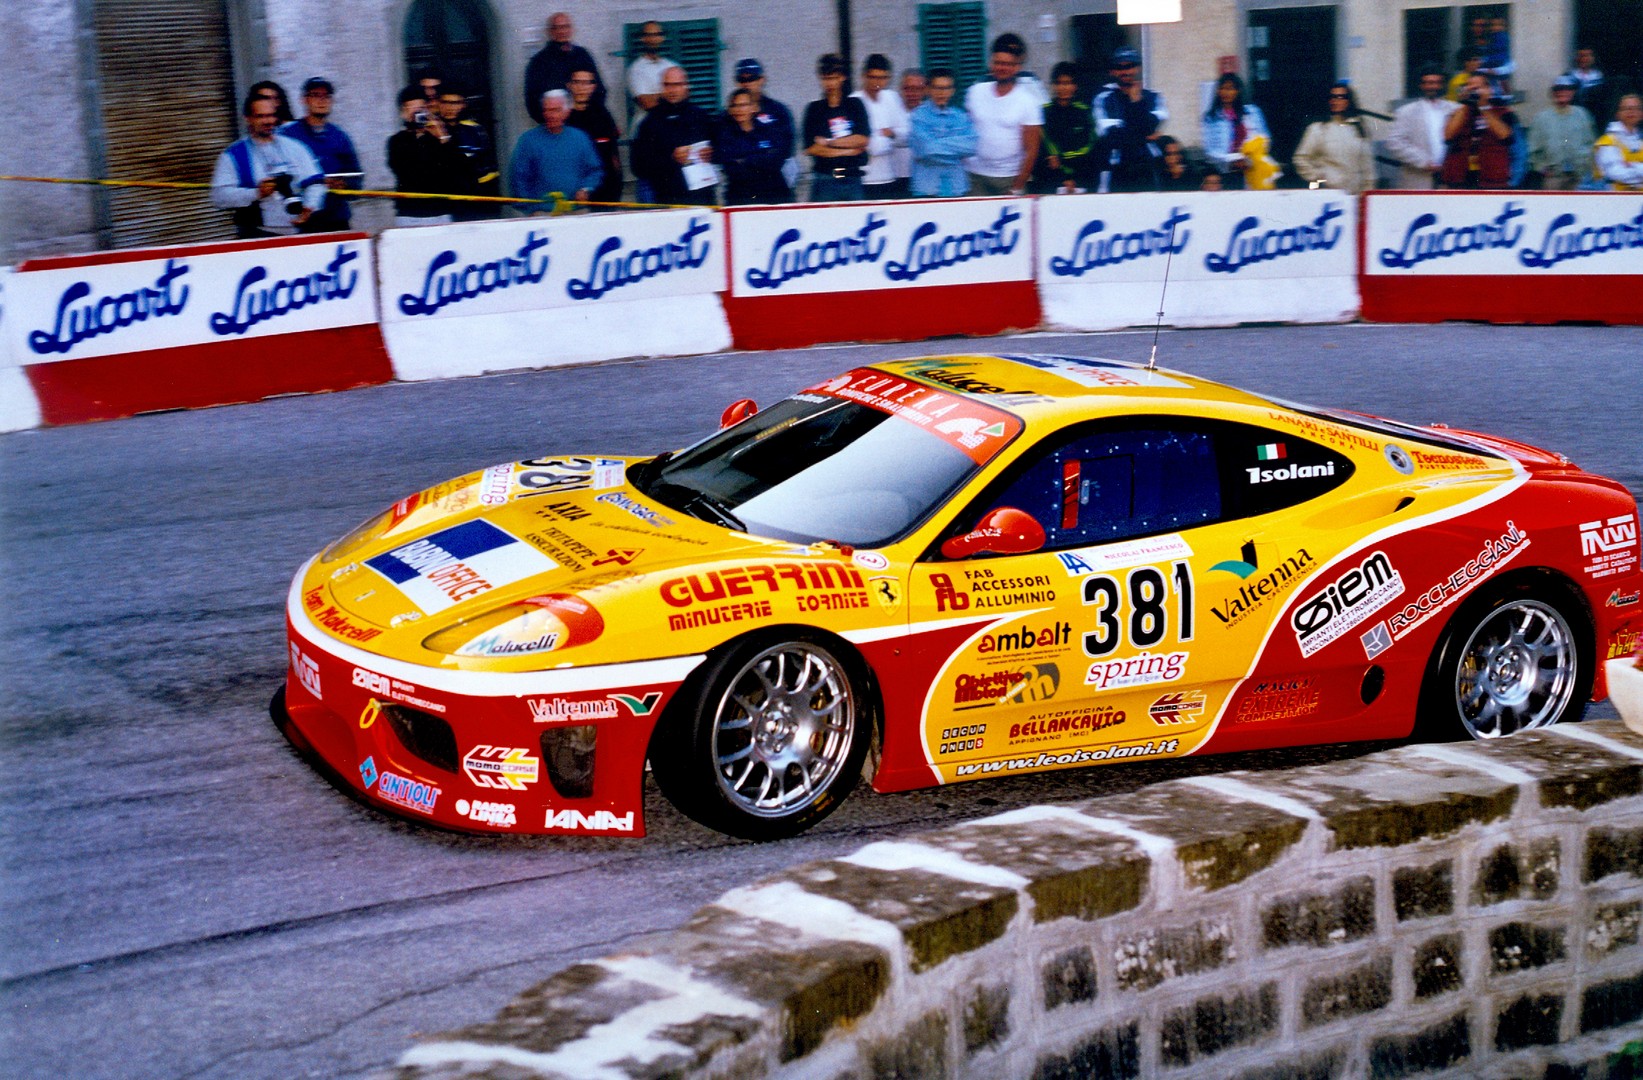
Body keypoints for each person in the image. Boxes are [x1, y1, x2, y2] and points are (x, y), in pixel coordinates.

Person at [211, 90, 325, 237]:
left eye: (271, 115)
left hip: (300, 232)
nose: (268, 121)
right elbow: (219, 197)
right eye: (261, 116)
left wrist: (310, 206)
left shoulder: (294, 147)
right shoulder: (234, 154)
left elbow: (316, 182)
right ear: (248, 118)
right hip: (258, 234)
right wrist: (256, 193)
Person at [964, 33, 1042, 196]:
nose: (1002, 68)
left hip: (1010, 179)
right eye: (998, 62)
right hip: (975, 177)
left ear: (1017, 67)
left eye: (1007, 64)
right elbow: (963, 131)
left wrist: (1017, 188)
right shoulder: (974, 92)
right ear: (991, 63)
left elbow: (1032, 150)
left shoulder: (1028, 101)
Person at [279, 77, 361, 231]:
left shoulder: (340, 136)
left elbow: (356, 176)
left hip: (336, 217)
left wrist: (343, 184)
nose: (321, 100)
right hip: (302, 219)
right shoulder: (288, 134)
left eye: (326, 96)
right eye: (315, 95)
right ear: (304, 100)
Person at [388, 84, 476, 226]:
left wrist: (442, 138)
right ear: (403, 112)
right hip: (409, 212)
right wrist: (417, 136)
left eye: (421, 108)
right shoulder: (397, 141)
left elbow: (460, 168)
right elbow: (405, 171)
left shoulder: (443, 136)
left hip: (441, 211)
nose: (417, 115)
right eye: (411, 109)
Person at [632, 66, 717, 206]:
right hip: (668, 198)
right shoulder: (650, 122)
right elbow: (637, 166)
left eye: (676, 84)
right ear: (661, 87)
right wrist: (671, 158)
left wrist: (711, 153)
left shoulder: (701, 116)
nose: (672, 90)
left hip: (703, 197)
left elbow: (721, 148)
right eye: (667, 85)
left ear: (686, 86)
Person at [508, 89, 603, 210]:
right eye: (546, 110)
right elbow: (518, 177)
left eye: (555, 110)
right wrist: (529, 209)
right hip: (541, 213)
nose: (550, 115)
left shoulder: (580, 138)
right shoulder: (528, 140)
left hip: (576, 210)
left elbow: (595, 170)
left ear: (567, 112)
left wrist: (585, 189)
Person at [1092, 45, 1168, 192]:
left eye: (1130, 66)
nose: (1125, 71)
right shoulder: (1103, 99)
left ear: (1138, 68)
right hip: (1116, 169)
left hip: (1148, 168)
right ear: (1113, 71)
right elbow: (1113, 137)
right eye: (1120, 67)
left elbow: (1150, 127)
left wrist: (1136, 101)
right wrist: (1144, 134)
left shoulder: (1154, 97)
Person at [803, 53, 870, 201]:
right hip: (825, 178)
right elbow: (811, 148)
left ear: (842, 77)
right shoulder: (814, 109)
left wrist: (829, 142)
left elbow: (862, 139)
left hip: (852, 178)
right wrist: (848, 150)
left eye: (834, 78)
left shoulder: (855, 105)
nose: (830, 83)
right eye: (825, 79)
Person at [1293, 80, 1375, 194]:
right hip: (1329, 194)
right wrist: (1319, 177)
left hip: (1355, 194)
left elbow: (1367, 165)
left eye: (1341, 97)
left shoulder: (1358, 128)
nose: (1336, 101)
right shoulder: (1318, 129)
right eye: (1333, 97)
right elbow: (1300, 158)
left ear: (1348, 101)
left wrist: (1368, 191)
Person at [714, 88, 792, 205]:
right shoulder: (725, 135)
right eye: (734, 106)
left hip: (774, 195)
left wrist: (744, 160)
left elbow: (777, 161)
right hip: (740, 196)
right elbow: (730, 168)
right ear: (729, 110)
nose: (739, 110)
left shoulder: (768, 130)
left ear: (754, 107)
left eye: (743, 105)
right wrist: (760, 158)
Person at [433, 82, 499, 219]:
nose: (450, 107)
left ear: (463, 105)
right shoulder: (432, 130)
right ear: (438, 103)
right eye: (445, 102)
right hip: (442, 204)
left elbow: (485, 171)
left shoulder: (474, 130)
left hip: (474, 203)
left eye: (455, 103)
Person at [908, 67, 978, 197]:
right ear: (928, 89)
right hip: (927, 189)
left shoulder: (960, 116)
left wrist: (938, 144)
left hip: (956, 187)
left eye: (947, 88)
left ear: (952, 90)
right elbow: (927, 149)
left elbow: (971, 146)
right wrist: (955, 153)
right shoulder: (918, 116)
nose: (942, 93)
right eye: (937, 88)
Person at [1386, 65, 1459, 189]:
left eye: (1437, 83)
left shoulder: (1456, 109)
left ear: (1442, 85)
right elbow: (1395, 142)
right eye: (1429, 83)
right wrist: (1424, 162)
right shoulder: (1406, 111)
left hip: (1449, 177)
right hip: (1418, 177)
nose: (1433, 87)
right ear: (1421, 85)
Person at [733, 59, 797, 199]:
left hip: (774, 188)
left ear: (762, 79)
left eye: (751, 78)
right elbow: (728, 155)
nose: (746, 83)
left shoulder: (778, 111)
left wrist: (747, 159)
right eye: (742, 79)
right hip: (741, 191)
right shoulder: (729, 115)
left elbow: (784, 150)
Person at [1441, 73, 1516, 189]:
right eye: (1469, 88)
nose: (1473, 92)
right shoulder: (1459, 112)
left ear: (1488, 90)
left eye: (1477, 88)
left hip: (1492, 177)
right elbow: (1448, 137)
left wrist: (1483, 107)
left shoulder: (1503, 112)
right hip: (1460, 177)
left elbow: (1505, 136)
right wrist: (1466, 104)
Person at [523, 12, 604, 120]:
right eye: (557, 27)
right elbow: (533, 100)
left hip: (587, 120)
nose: (562, 31)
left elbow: (599, 90)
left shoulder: (583, 55)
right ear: (550, 31)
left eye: (566, 27)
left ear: (571, 29)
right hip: (555, 124)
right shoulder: (538, 62)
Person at [1031, 62, 1096, 194]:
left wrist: (1061, 160)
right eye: (1059, 83)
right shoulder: (1044, 112)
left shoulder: (1084, 112)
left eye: (1068, 83)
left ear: (1075, 86)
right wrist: (1062, 177)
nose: (1063, 87)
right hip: (1051, 181)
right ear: (1053, 85)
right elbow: (1042, 150)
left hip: (1081, 180)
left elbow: (1090, 147)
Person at [852, 54, 910, 199]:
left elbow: (907, 134)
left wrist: (892, 134)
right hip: (863, 179)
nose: (877, 83)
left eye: (883, 78)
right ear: (864, 76)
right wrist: (887, 139)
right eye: (873, 77)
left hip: (890, 176)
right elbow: (867, 145)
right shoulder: (853, 101)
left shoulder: (892, 97)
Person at [566, 68, 623, 206]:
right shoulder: (564, 117)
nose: (581, 87)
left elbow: (613, 155)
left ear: (594, 86)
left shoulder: (603, 115)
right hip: (574, 192)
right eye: (577, 82)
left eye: (587, 83)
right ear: (569, 85)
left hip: (605, 190)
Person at [1199, 72, 1268, 189]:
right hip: (1225, 173)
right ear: (1218, 91)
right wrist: (1232, 160)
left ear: (1238, 91)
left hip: (1253, 170)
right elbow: (1209, 151)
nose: (1226, 92)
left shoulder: (1253, 112)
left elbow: (1265, 140)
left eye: (1230, 89)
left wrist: (1248, 160)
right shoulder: (1211, 117)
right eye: (1222, 88)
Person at [1528, 76, 1596, 191]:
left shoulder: (1582, 115)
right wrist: (1542, 168)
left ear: (1573, 92)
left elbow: (1591, 143)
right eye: (1558, 89)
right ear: (1553, 93)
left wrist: (1586, 165)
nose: (1562, 92)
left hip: (1579, 177)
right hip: (1553, 177)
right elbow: (1532, 149)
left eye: (1567, 89)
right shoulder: (1541, 118)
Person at [1594, 94, 1643, 191]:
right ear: (1618, 114)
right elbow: (1614, 173)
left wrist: (1633, 165)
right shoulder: (1608, 141)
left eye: (1636, 108)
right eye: (1626, 108)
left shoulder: (1640, 141)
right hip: (1614, 195)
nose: (1631, 112)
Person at [627, 21, 677, 117]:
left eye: (657, 34)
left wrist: (657, 96)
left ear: (662, 38)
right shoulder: (636, 69)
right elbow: (647, 103)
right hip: (647, 124)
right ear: (642, 38)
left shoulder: (671, 66)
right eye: (649, 35)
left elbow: (684, 96)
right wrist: (672, 94)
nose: (653, 39)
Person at [891, 69, 926, 193]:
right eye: (907, 88)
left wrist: (896, 134)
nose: (912, 93)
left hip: (923, 178)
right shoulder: (892, 110)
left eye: (917, 89)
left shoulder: (929, 113)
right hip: (895, 179)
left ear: (924, 90)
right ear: (900, 89)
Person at [1568, 47, 1616, 128]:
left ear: (1593, 58)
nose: (1584, 59)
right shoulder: (1570, 76)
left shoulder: (1599, 77)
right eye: (1581, 56)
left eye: (1587, 56)